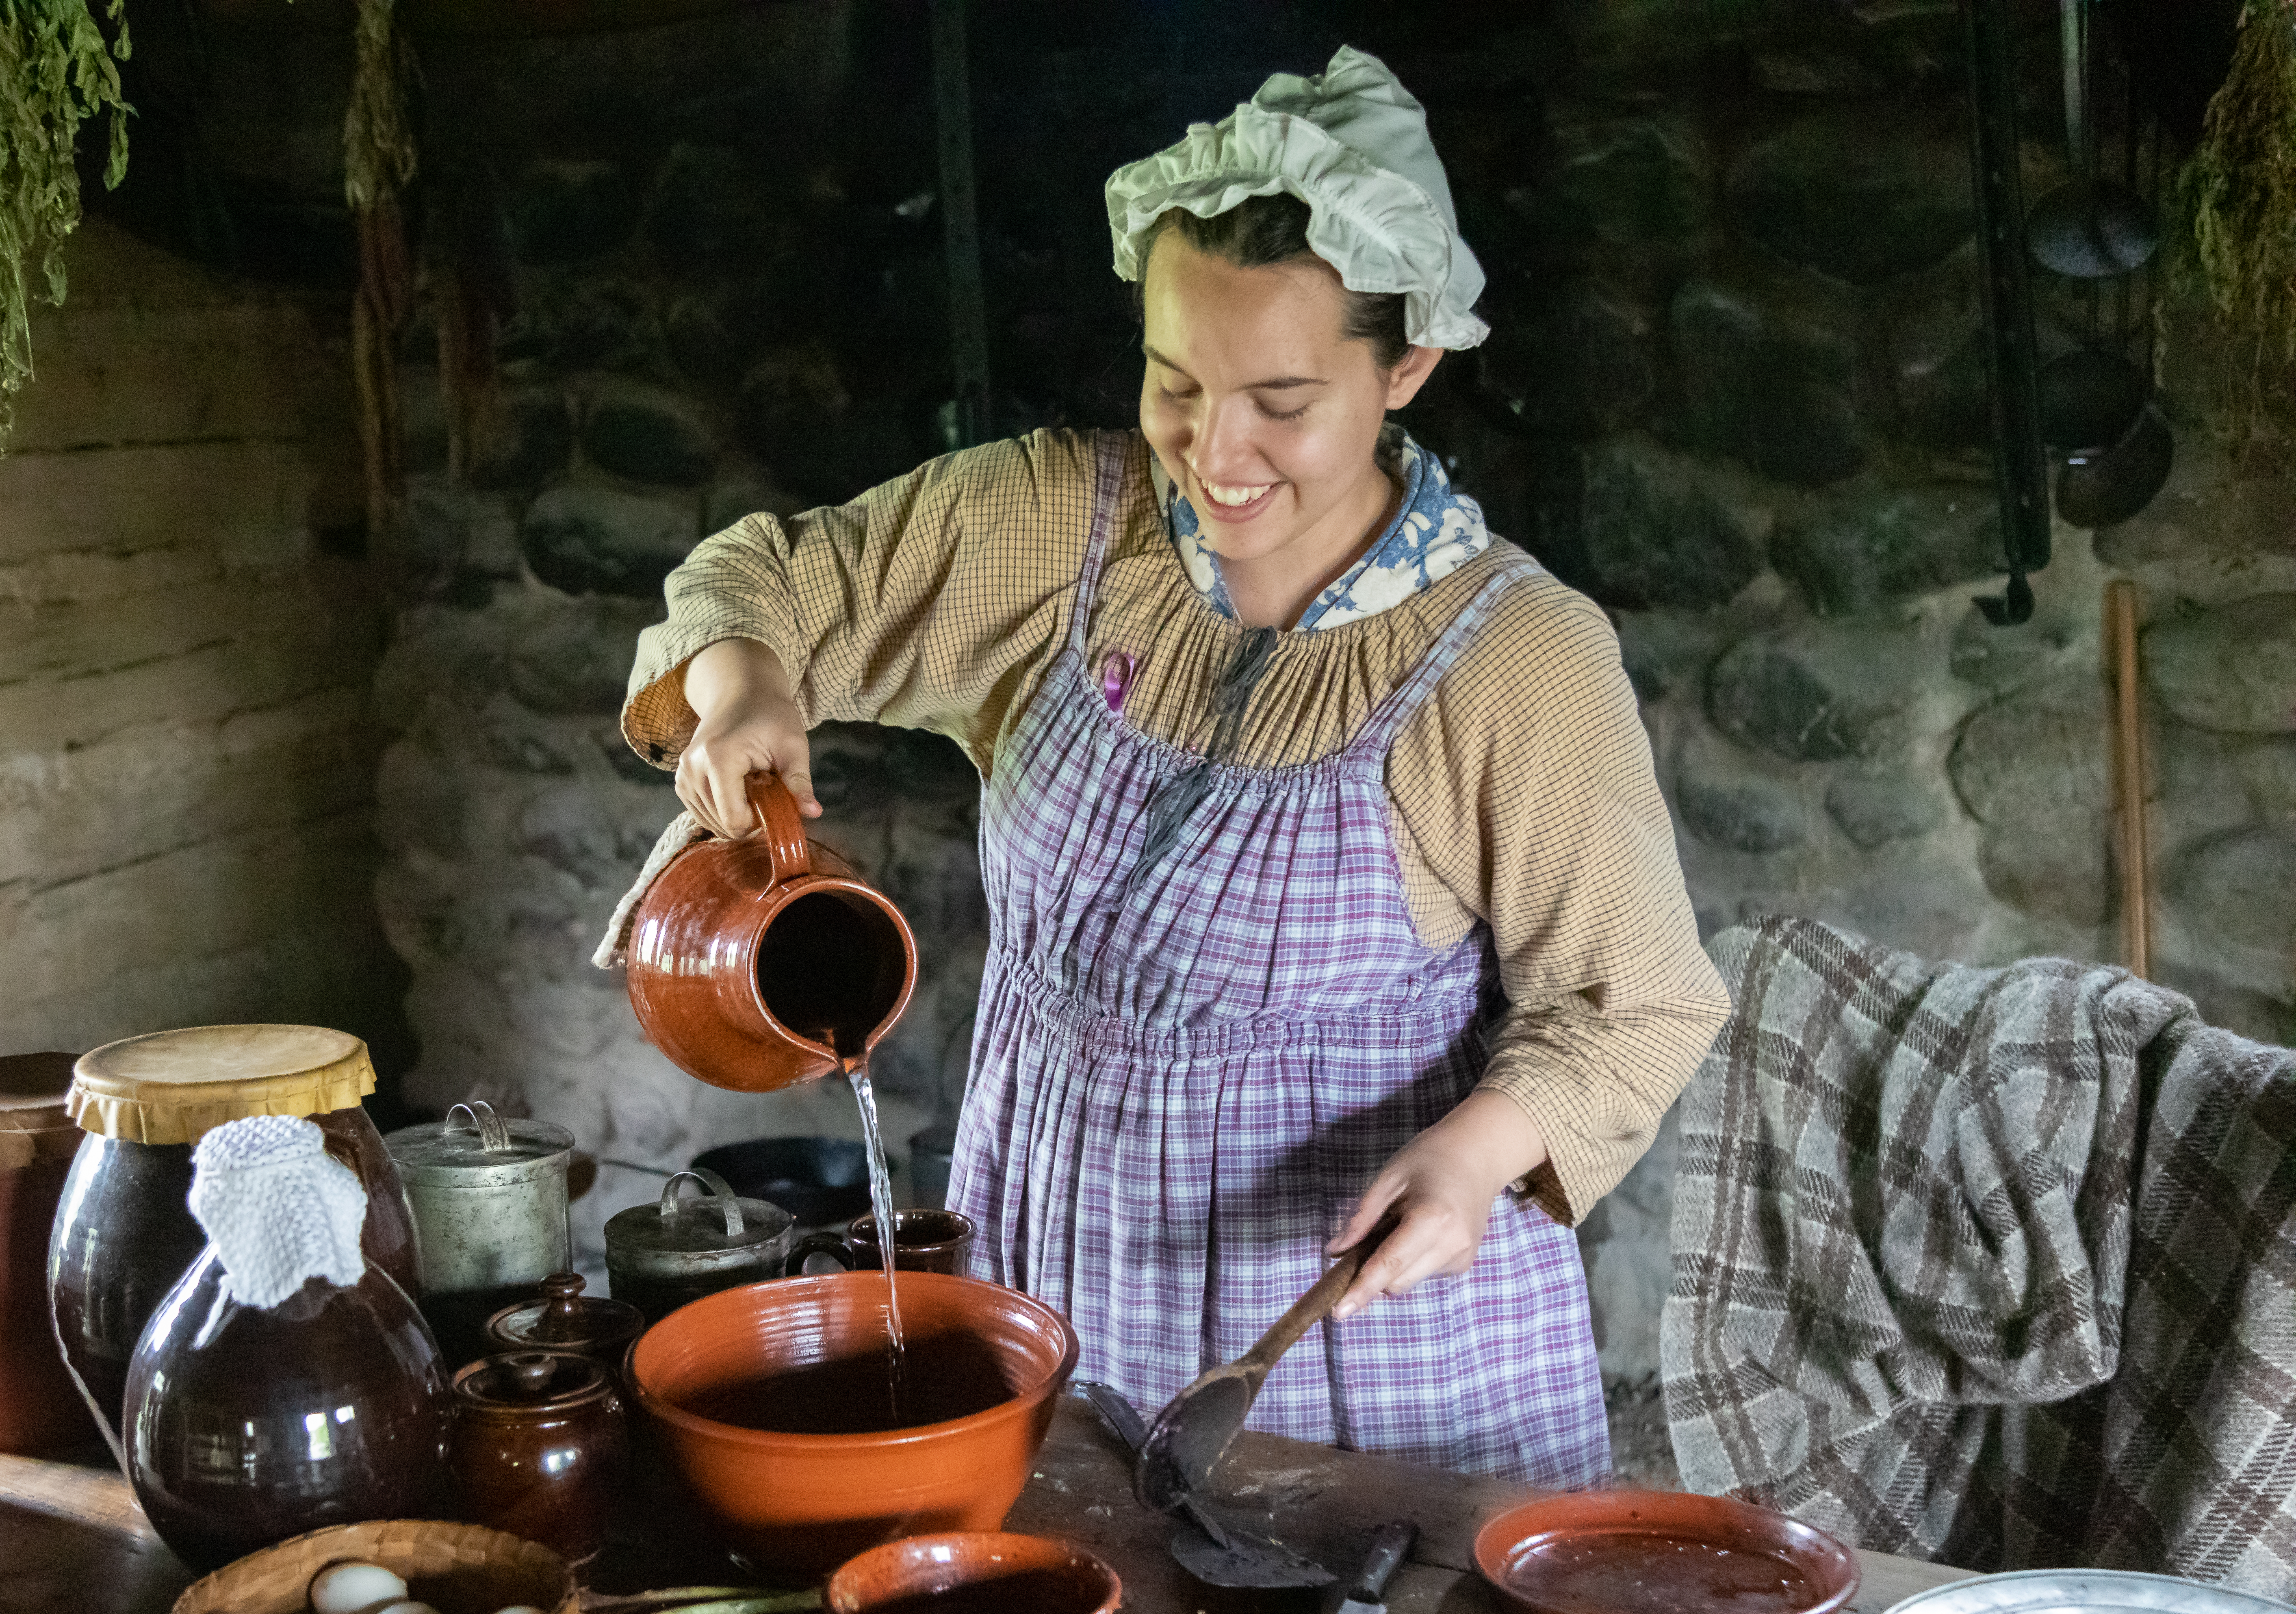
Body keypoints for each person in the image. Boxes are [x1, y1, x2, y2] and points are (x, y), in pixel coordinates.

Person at [611, 47, 1726, 1487]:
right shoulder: (1061, 532)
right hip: (1057, 1241)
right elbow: (766, 576)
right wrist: (747, 680)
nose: (1216, 451)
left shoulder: (1515, 659)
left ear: (1407, 368)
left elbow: (1634, 998)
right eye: (1175, 382)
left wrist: (1479, 1153)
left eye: (1282, 399)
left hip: (1347, 1316)